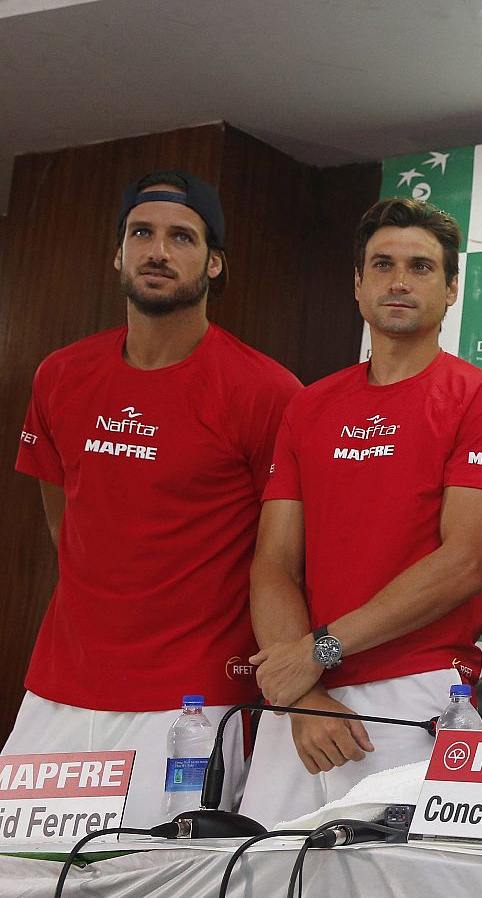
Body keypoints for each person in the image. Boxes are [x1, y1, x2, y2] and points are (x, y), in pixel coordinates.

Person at [7, 170, 301, 827]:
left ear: (214, 262)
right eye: (141, 233)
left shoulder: (267, 391)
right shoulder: (60, 374)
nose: (158, 251)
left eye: (181, 237)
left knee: (156, 878)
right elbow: (66, 519)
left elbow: (285, 555)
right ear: (117, 253)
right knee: (22, 873)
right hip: (59, 689)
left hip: (190, 704)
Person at [241, 198, 482, 826]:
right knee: (259, 874)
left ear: (452, 289)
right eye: (383, 265)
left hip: (414, 693)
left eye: (422, 267)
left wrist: (320, 652)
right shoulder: (309, 407)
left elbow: (463, 563)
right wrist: (306, 694)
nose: (400, 281)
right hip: (304, 702)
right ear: (358, 284)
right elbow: (273, 565)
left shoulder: (481, 399)